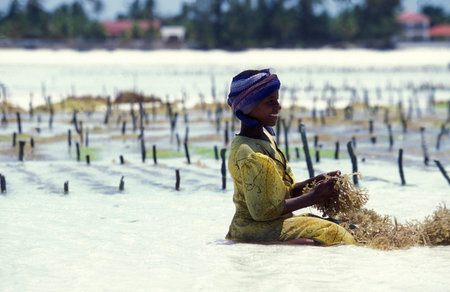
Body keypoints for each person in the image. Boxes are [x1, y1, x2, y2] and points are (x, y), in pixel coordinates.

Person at [225, 69, 356, 246]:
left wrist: (317, 182)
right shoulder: (249, 154)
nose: (278, 107)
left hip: (274, 223)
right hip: (252, 230)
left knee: (348, 227)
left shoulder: (264, 141)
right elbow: (263, 212)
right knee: (333, 234)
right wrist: (313, 197)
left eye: (277, 100)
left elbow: (283, 192)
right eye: (271, 102)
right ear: (249, 107)